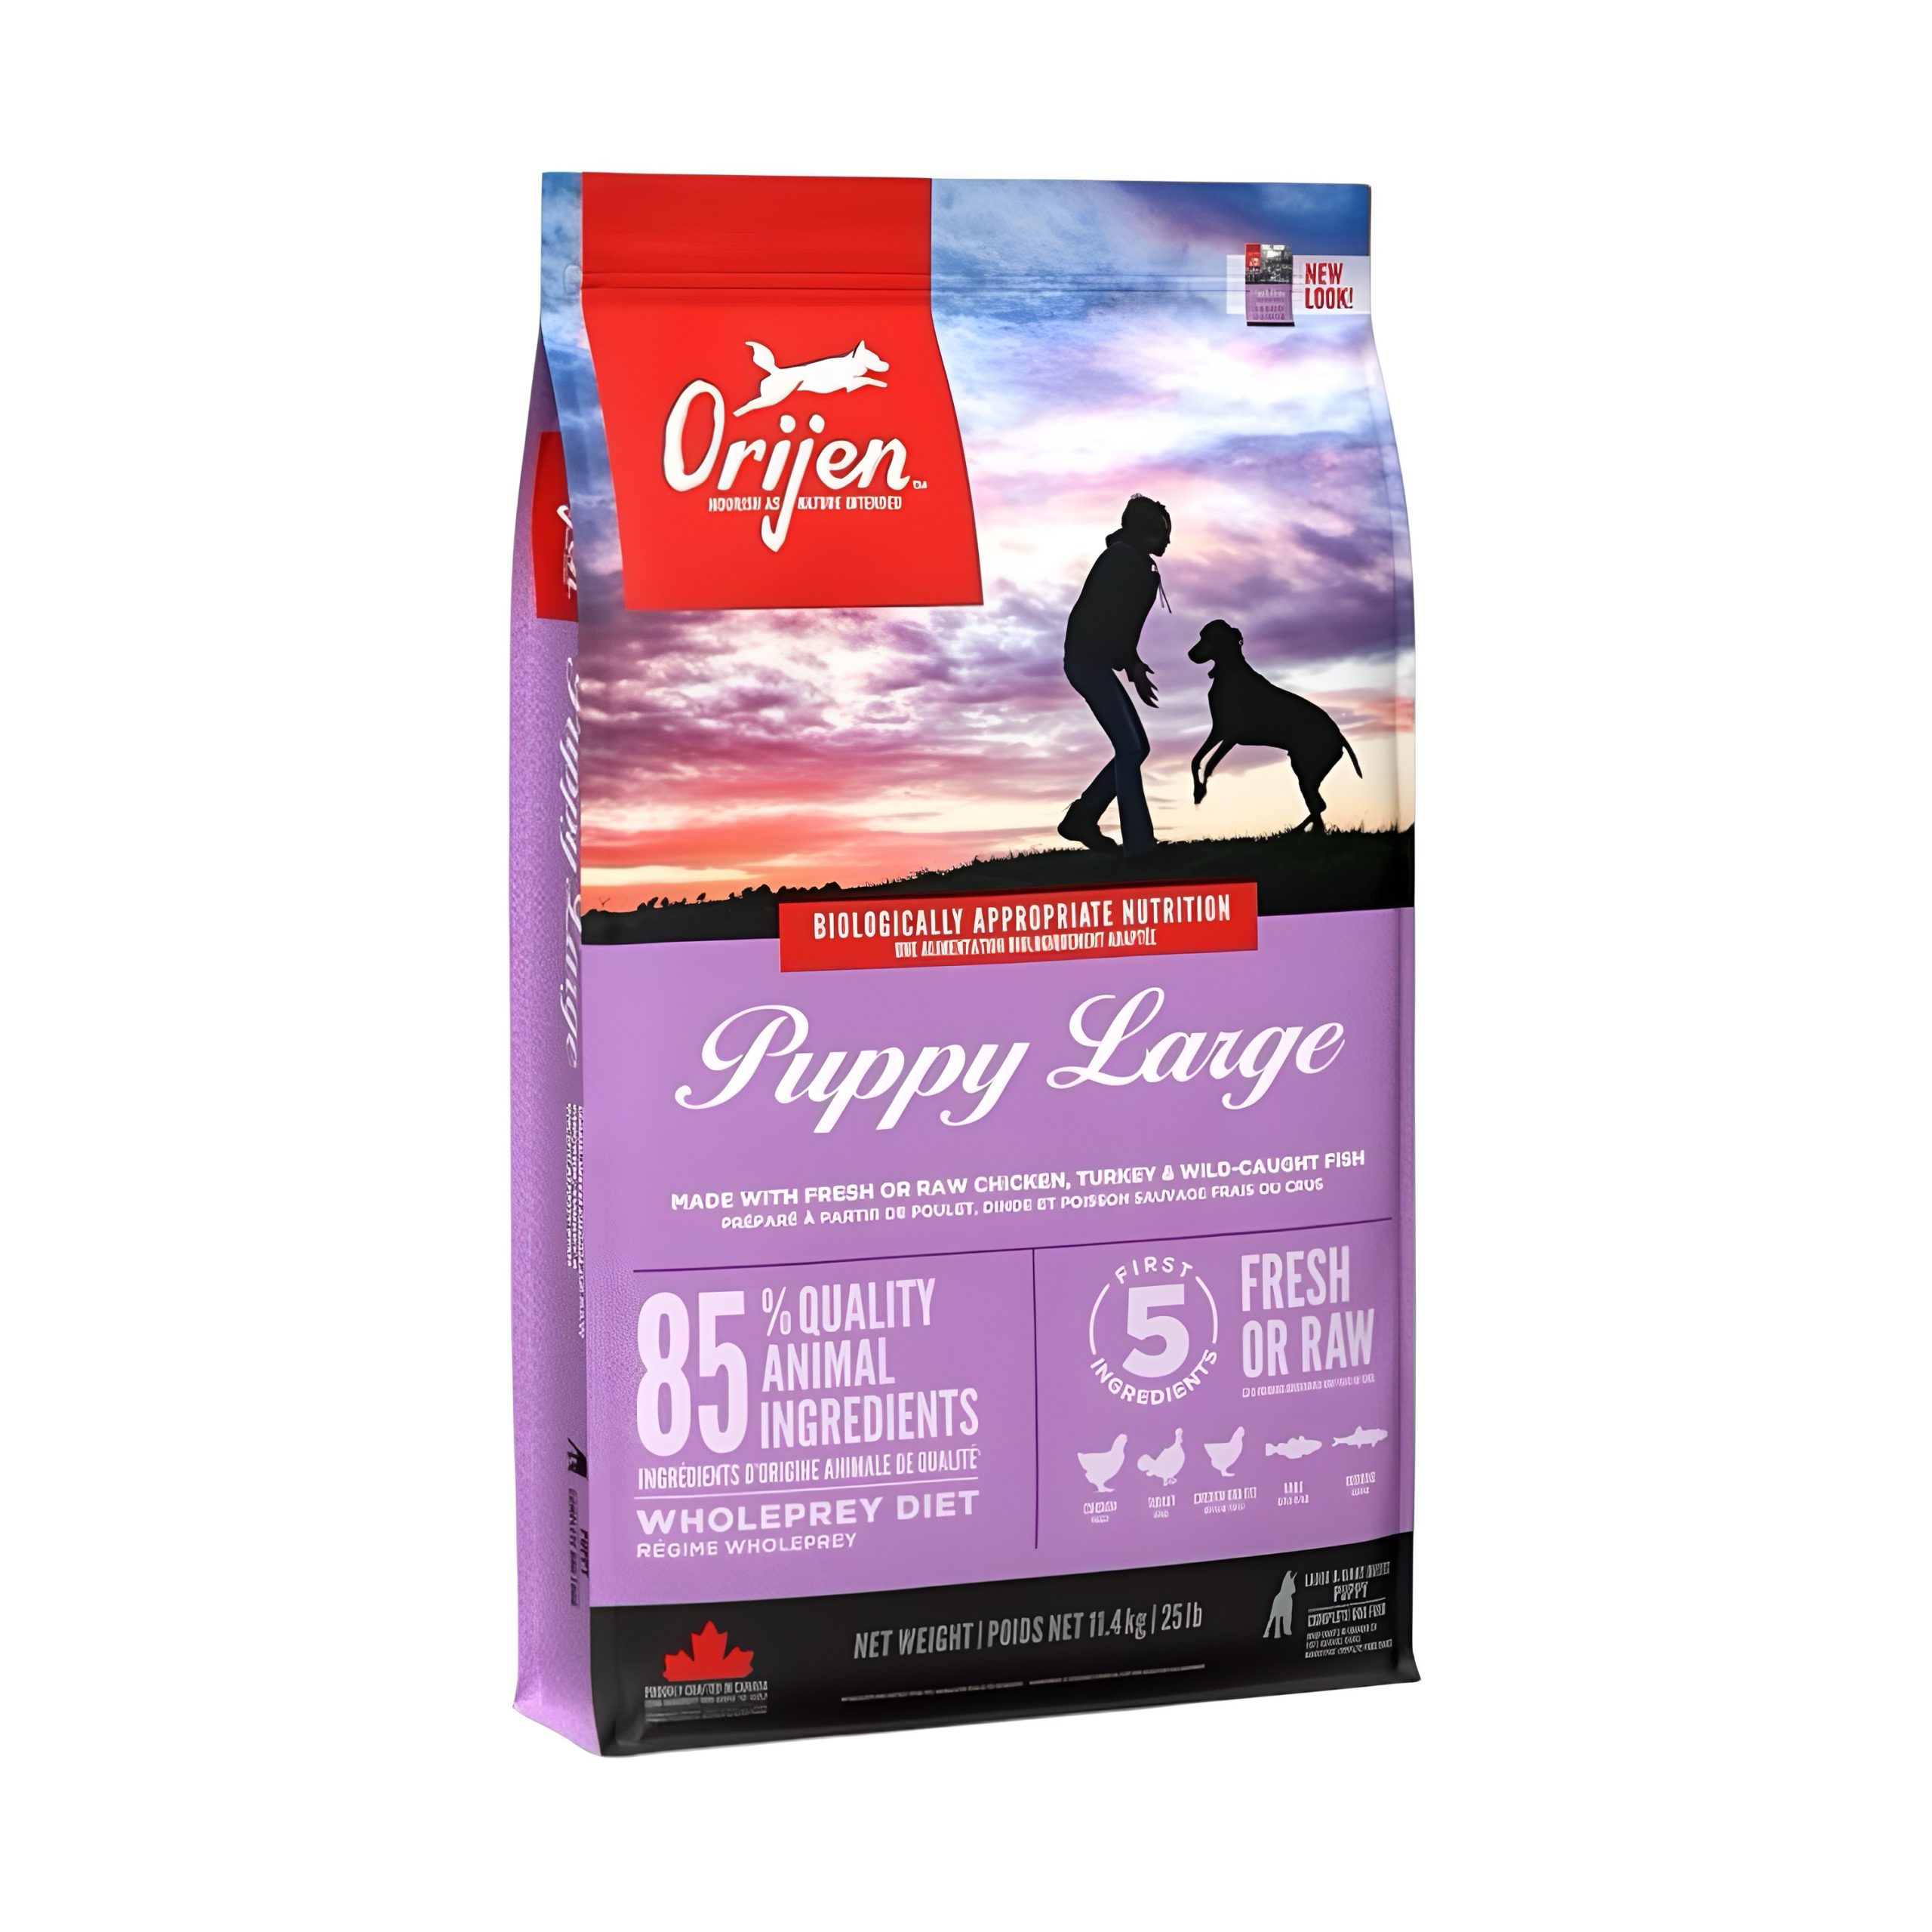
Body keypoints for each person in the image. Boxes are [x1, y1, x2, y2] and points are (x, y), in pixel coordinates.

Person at [1058, 494, 1171, 855]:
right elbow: (1107, 620)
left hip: (1093, 662)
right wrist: (1131, 664)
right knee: (1130, 747)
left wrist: (1132, 663)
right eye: (1162, 533)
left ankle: (1082, 818)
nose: (1168, 541)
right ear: (1143, 531)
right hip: (1086, 662)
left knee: (1137, 747)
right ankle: (1139, 848)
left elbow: (1121, 625)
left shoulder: (1134, 562)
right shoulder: (1122, 560)